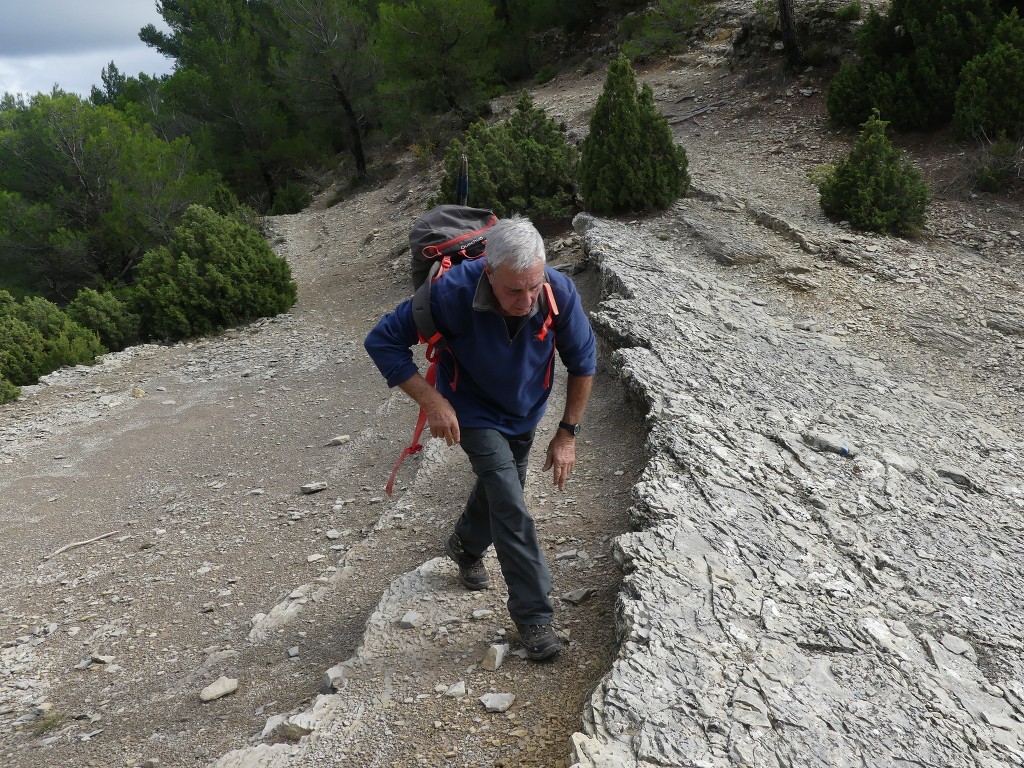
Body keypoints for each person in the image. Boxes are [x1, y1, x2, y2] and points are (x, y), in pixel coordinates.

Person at [364, 214, 596, 660]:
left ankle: (465, 546)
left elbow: (583, 361)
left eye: (533, 285)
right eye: (514, 290)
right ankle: (535, 619)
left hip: (525, 410)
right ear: (489, 272)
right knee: (510, 501)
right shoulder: (450, 294)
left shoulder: (558, 292)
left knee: (500, 491)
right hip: (470, 410)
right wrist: (432, 402)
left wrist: (567, 433)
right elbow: (382, 341)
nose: (526, 299)